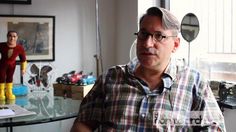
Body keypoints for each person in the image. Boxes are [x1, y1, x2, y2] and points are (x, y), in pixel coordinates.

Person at [70, 7, 226, 131]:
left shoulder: (192, 83)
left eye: (159, 36)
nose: (147, 43)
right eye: (143, 34)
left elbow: (211, 126)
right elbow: (83, 123)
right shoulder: (111, 78)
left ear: (176, 45)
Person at [0, 31, 27, 100]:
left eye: (14, 36)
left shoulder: (20, 48)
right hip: (2, 65)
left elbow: (23, 59)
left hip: (12, 66)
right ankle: (1, 92)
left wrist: (23, 69)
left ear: (17, 37)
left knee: (10, 77)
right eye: (10, 36)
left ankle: (9, 92)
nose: (12, 38)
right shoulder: (1, 45)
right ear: (7, 37)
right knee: (1, 77)